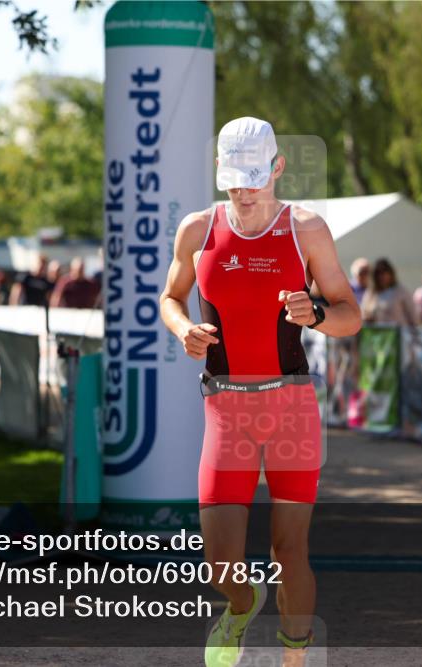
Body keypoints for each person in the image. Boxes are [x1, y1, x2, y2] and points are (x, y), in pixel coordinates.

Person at [159, 117, 361, 667]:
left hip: (291, 406)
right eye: (233, 178)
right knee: (218, 562)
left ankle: (294, 659)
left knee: (289, 550)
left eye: (254, 177)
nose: (243, 190)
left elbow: (351, 315)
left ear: (277, 168)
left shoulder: (306, 228)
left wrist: (316, 313)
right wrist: (183, 330)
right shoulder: (198, 229)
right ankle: (243, 606)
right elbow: (171, 297)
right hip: (225, 408)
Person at [361, 258, 418, 327]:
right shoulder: (371, 293)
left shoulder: (400, 291)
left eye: (385, 272)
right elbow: (364, 312)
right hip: (377, 334)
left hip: (398, 334)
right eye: (378, 273)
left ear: (391, 273)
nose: (382, 276)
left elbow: (412, 315)